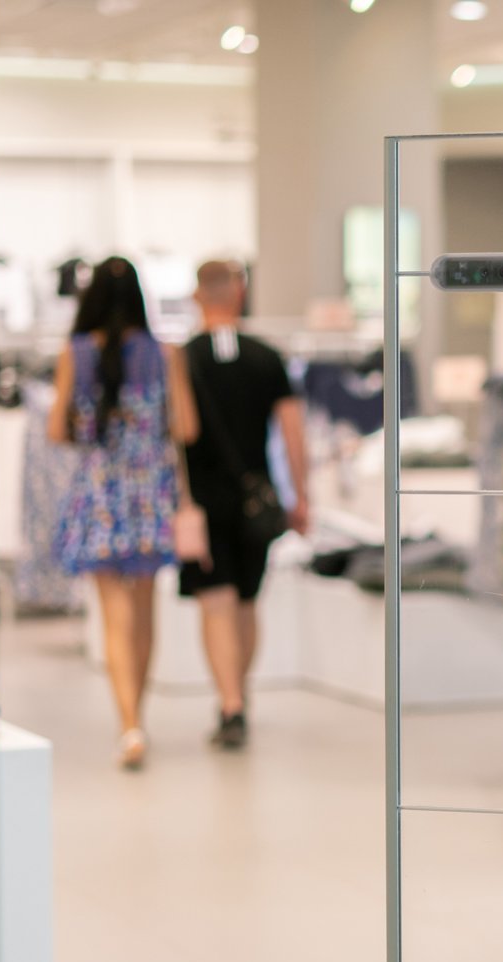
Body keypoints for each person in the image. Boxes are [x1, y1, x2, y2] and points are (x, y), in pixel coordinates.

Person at [50, 257, 199, 770]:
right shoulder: (165, 354)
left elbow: (56, 429)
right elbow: (186, 428)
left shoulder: (75, 353)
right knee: (144, 612)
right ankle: (140, 717)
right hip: (150, 495)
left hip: (100, 495)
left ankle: (128, 724)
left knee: (114, 616)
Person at [180, 260, 309, 750]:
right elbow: (293, 434)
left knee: (216, 602)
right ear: (240, 293)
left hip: (201, 500)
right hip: (257, 496)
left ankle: (230, 702)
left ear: (197, 295)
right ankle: (240, 696)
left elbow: (175, 436)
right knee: (247, 602)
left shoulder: (183, 360)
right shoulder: (267, 358)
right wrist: (301, 496)